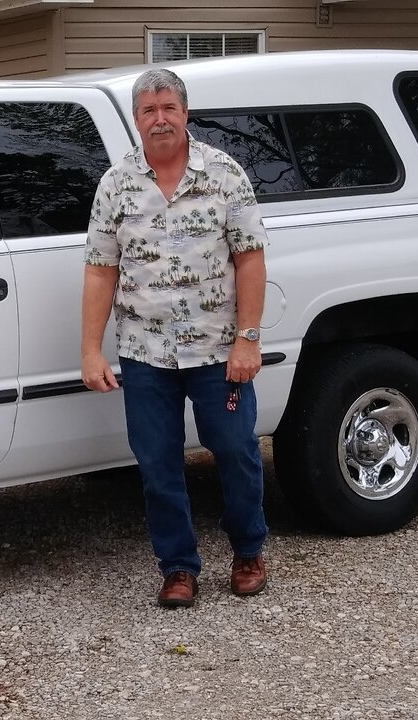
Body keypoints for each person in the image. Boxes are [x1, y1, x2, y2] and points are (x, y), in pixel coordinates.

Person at [81, 68, 270, 608]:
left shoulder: (225, 175)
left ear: (185, 113)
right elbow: (100, 270)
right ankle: (178, 566)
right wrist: (91, 349)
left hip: (218, 352)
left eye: (168, 107)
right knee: (157, 462)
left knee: (235, 450)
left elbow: (250, 260)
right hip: (145, 355)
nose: (159, 118)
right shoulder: (116, 185)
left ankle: (248, 550)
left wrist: (248, 338)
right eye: (147, 109)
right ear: (137, 120)